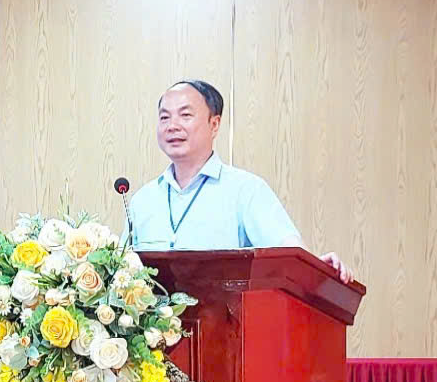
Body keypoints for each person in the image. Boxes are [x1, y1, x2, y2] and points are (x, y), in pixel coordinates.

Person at [123, 80, 352, 284]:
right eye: (164, 117)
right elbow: (121, 271)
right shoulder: (143, 200)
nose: (172, 126)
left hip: (225, 317)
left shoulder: (245, 190)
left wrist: (318, 267)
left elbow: (288, 250)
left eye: (185, 115)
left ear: (214, 124)